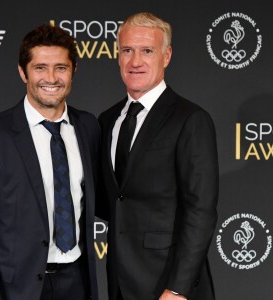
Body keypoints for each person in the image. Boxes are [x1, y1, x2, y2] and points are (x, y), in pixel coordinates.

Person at [0, 24, 100, 300]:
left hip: (78, 281)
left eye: (61, 68)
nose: (51, 78)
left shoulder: (87, 126)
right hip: (17, 288)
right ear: (23, 72)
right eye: (40, 68)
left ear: (74, 70)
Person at [98, 12, 219, 300]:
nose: (135, 61)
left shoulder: (190, 119)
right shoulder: (107, 120)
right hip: (119, 283)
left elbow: (200, 211)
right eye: (127, 50)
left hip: (170, 286)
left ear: (166, 56)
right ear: (118, 56)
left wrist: (178, 288)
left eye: (147, 51)